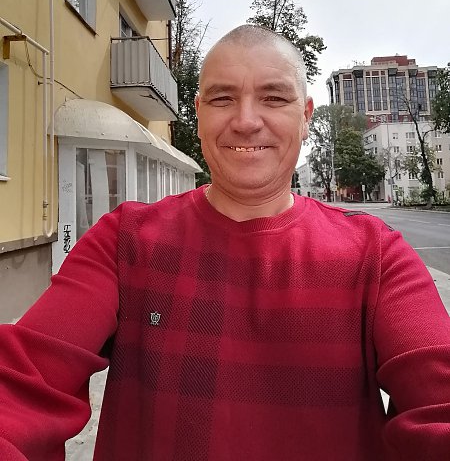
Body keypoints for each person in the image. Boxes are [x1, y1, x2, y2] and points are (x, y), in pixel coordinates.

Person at [0, 25, 449, 460]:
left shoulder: (377, 255)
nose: (246, 121)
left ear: (306, 116)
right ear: (198, 113)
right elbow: (23, 382)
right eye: (222, 99)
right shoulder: (124, 241)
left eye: (274, 98)